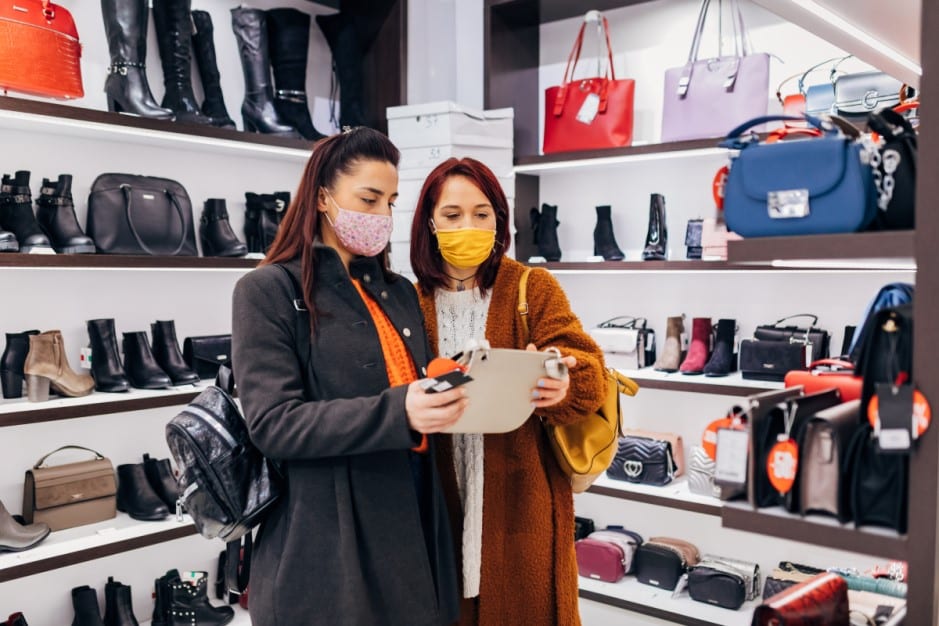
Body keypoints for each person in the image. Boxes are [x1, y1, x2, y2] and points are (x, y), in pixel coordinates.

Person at [231, 128, 463, 626]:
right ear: (322, 197)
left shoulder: (399, 292)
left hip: (413, 521)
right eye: (369, 198)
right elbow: (273, 424)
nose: (381, 215)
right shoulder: (267, 291)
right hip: (326, 538)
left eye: (391, 201)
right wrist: (399, 409)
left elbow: (405, 386)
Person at [410, 157, 608, 625]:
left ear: (499, 220)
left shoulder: (529, 286)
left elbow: (588, 371)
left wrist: (561, 382)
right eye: (453, 215)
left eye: (483, 214)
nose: (469, 225)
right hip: (435, 492)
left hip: (521, 494)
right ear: (430, 223)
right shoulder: (408, 296)